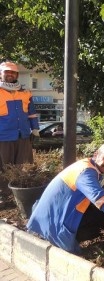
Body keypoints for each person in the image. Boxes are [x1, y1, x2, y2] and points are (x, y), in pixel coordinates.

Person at [26, 143, 104, 254]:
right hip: (55, 227)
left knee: (101, 212)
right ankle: (74, 244)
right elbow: (100, 200)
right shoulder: (86, 172)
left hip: (44, 220)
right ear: (96, 154)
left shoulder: (88, 165)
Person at [0, 61, 40, 207]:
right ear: (1, 74)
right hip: (3, 137)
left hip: (23, 136)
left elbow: (32, 113)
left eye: (13, 72)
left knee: (23, 167)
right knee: (5, 168)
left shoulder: (25, 92)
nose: (10, 74)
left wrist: (35, 129)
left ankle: (20, 197)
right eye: (7, 72)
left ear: (16, 74)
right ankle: (4, 197)